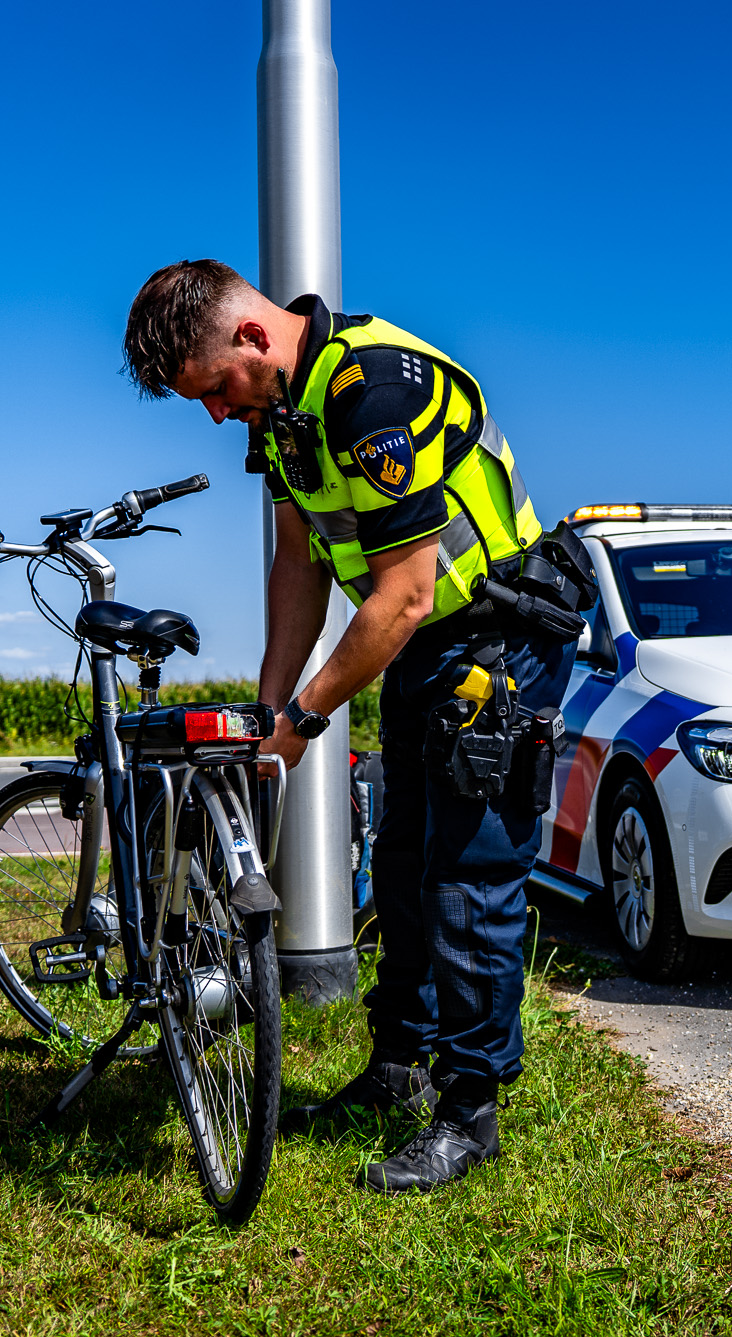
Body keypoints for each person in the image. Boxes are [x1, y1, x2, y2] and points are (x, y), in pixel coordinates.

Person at [122, 260, 585, 1192]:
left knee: (467, 874)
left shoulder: (368, 392)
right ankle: (397, 1071)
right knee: (406, 865)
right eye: (199, 404)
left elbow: (406, 592)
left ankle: (470, 1110)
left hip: (498, 634)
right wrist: (269, 696)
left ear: (252, 337)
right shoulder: (282, 417)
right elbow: (299, 565)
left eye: (214, 389)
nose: (216, 415)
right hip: (429, 646)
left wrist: (303, 716)